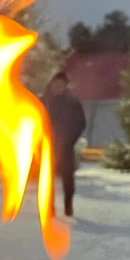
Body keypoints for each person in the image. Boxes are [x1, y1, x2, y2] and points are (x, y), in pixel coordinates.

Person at [42, 70, 87, 217]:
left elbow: (81, 123)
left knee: (67, 177)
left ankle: (68, 206)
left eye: (61, 84)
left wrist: (70, 140)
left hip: (65, 146)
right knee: (47, 178)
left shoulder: (72, 103)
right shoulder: (44, 101)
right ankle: (49, 208)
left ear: (65, 86)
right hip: (47, 146)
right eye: (55, 84)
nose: (58, 87)